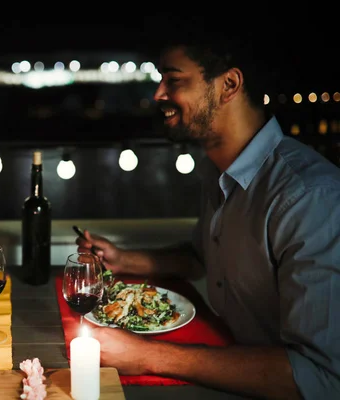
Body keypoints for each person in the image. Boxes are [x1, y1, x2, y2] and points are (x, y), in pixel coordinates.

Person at [76, 26, 340, 400]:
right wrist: (123, 259)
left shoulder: (309, 197)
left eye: (173, 79)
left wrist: (148, 356)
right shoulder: (219, 169)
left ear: (229, 85)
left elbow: (322, 378)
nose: (158, 94)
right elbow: (203, 257)